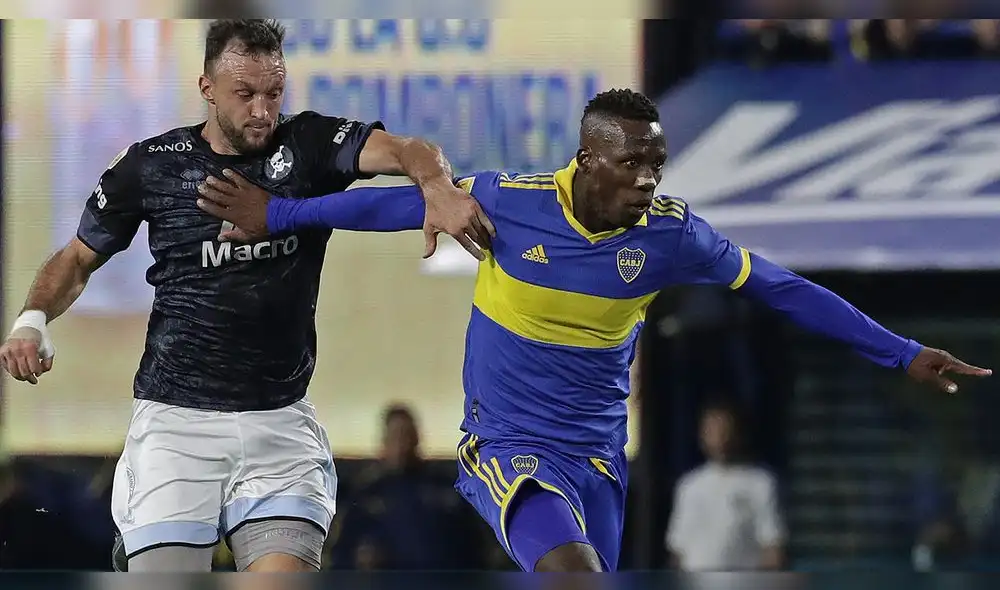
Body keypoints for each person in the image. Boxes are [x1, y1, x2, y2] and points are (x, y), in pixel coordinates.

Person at [193, 88, 991, 572]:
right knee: (571, 574)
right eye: (633, 165)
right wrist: (280, 211)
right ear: (588, 160)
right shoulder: (511, 203)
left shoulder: (672, 236)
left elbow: (778, 287)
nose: (648, 181)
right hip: (507, 444)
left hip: (599, 458)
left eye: (658, 165)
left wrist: (901, 350)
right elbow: (387, 204)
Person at [0, 19, 492, 573]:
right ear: (207, 87)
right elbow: (76, 258)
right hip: (176, 426)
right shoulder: (154, 164)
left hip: (279, 429)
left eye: (273, 93)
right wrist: (31, 321)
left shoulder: (308, 145)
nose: (262, 111)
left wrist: (439, 189)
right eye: (245, 94)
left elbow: (411, 150)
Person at [667, 400, 786, 571]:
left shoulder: (760, 483)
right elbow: (677, 549)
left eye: (724, 430)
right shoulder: (689, 485)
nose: (719, 438)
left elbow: (773, 547)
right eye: (712, 431)